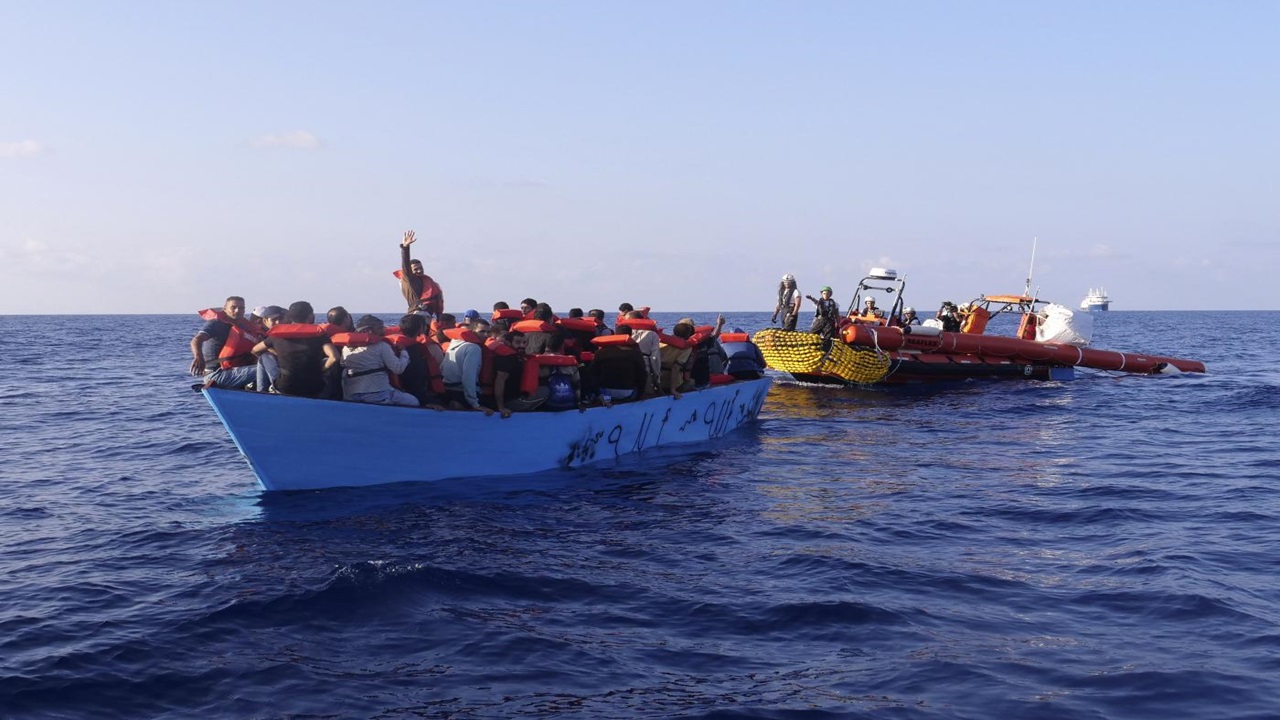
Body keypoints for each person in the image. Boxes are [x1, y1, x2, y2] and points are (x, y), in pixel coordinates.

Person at [252, 301, 339, 398]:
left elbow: (255, 350)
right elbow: (334, 357)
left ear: (289, 317)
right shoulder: (319, 335)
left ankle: (261, 394)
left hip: (285, 387)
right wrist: (322, 370)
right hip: (313, 387)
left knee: (263, 357)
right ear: (310, 315)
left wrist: (277, 353)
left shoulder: (276, 335)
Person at [340, 315, 418, 407]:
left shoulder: (346, 348)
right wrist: (404, 352)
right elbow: (398, 368)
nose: (383, 330)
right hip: (379, 394)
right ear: (368, 331)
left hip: (351, 395)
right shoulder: (382, 346)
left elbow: (342, 364)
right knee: (414, 402)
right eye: (380, 328)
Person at [190, 296, 259, 388]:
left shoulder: (243, 327)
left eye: (241, 308)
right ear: (225, 309)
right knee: (265, 369)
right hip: (216, 375)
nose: (238, 310)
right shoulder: (216, 324)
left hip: (234, 371)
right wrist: (198, 357)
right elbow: (196, 340)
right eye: (233, 307)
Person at [587, 330, 649, 403]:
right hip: (627, 393)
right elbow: (642, 374)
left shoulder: (600, 352)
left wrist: (598, 394)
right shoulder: (634, 353)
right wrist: (639, 395)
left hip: (605, 392)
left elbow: (591, 374)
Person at [441, 327, 494, 414]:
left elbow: (442, 368)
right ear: (473, 332)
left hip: (447, 392)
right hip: (463, 394)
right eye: (482, 331)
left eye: (488, 332)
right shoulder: (473, 348)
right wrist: (475, 404)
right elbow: (468, 377)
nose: (486, 335)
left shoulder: (452, 345)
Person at [394, 230, 444, 316]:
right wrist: (405, 247)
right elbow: (405, 263)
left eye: (421, 268)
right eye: (416, 269)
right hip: (417, 313)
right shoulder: (409, 279)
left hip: (428, 314)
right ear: (410, 270)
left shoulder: (425, 281)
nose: (420, 270)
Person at [252, 305, 287, 392]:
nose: (278, 322)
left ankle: (262, 393)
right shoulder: (260, 336)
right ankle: (274, 388)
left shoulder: (290, 335)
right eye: (274, 320)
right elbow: (254, 351)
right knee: (264, 357)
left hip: (286, 369)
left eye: (281, 318)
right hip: (273, 367)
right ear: (265, 321)